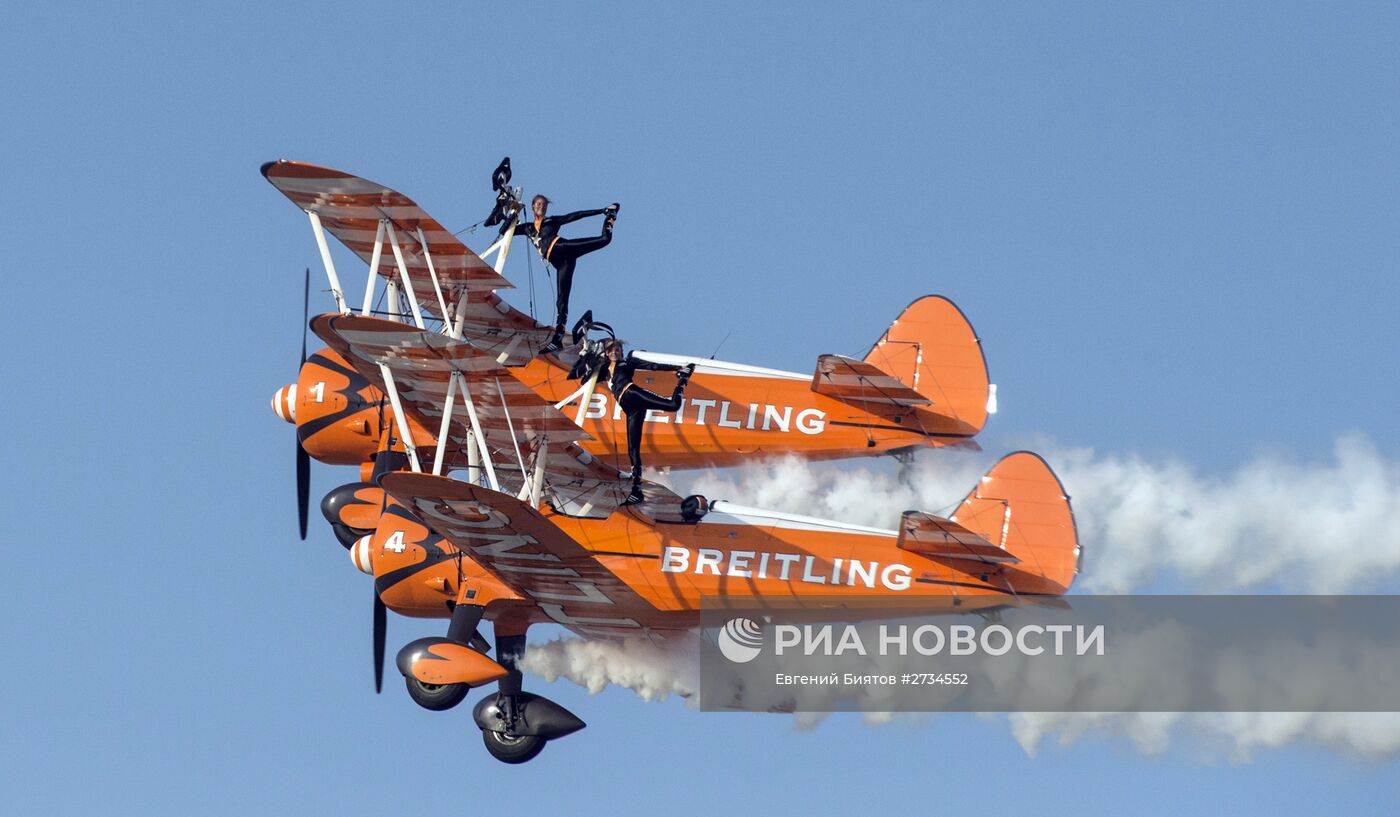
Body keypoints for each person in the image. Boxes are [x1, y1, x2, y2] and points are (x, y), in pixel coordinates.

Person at [508, 194, 620, 352]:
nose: (541, 207)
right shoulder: (528, 228)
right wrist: (513, 212)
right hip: (562, 264)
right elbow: (505, 231)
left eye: (544, 205)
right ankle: (557, 339)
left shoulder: (552, 221)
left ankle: (611, 216)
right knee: (562, 301)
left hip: (563, 248)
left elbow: (575, 216)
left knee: (604, 240)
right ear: (532, 206)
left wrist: (601, 211)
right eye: (538, 204)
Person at [601, 339, 695, 504]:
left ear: (621, 352)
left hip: (632, 394)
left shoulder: (628, 363)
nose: (614, 352)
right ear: (606, 353)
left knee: (673, 405)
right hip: (630, 409)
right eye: (611, 350)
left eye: (617, 350)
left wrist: (678, 368)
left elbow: (653, 366)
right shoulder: (603, 370)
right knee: (632, 449)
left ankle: (682, 381)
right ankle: (636, 490)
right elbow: (582, 377)